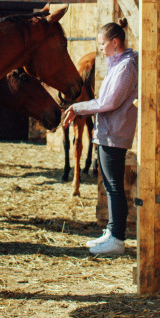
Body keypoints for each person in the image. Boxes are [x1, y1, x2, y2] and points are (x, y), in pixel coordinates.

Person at [62, 18, 138, 255]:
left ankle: (117, 240)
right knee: (110, 184)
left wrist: (78, 108)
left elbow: (110, 102)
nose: (101, 48)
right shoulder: (118, 64)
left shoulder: (126, 67)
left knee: (114, 187)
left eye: (102, 44)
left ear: (115, 42)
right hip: (108, 133)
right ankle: (111, 232)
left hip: (114, 133)